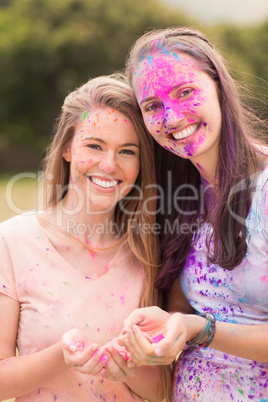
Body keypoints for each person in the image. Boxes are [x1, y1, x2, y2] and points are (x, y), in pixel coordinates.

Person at [117, 27, 268, 401]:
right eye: (152, 106)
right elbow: (188, 309)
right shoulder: (180, 195)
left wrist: (200, 330)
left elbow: (198, 323)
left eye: (185, 92)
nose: (171, 117)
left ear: (218, 84)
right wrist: (164, 329)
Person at [0, 74, 172, 401]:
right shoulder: (11, 242)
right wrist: (60, 357)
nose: (108, 165)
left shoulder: (151, 251)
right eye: (94, 145)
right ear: (67, 148)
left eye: (126, 151)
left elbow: (165, 389)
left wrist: (128, 368)